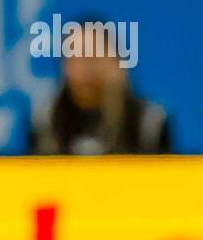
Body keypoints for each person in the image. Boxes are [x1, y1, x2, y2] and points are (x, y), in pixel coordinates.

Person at [32, 20, 170, 155]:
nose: (85, 70)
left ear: (118, 62)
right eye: (76, 57)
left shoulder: (149, 123)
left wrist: (113, 102)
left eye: (94, 57)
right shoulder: (46, 122)